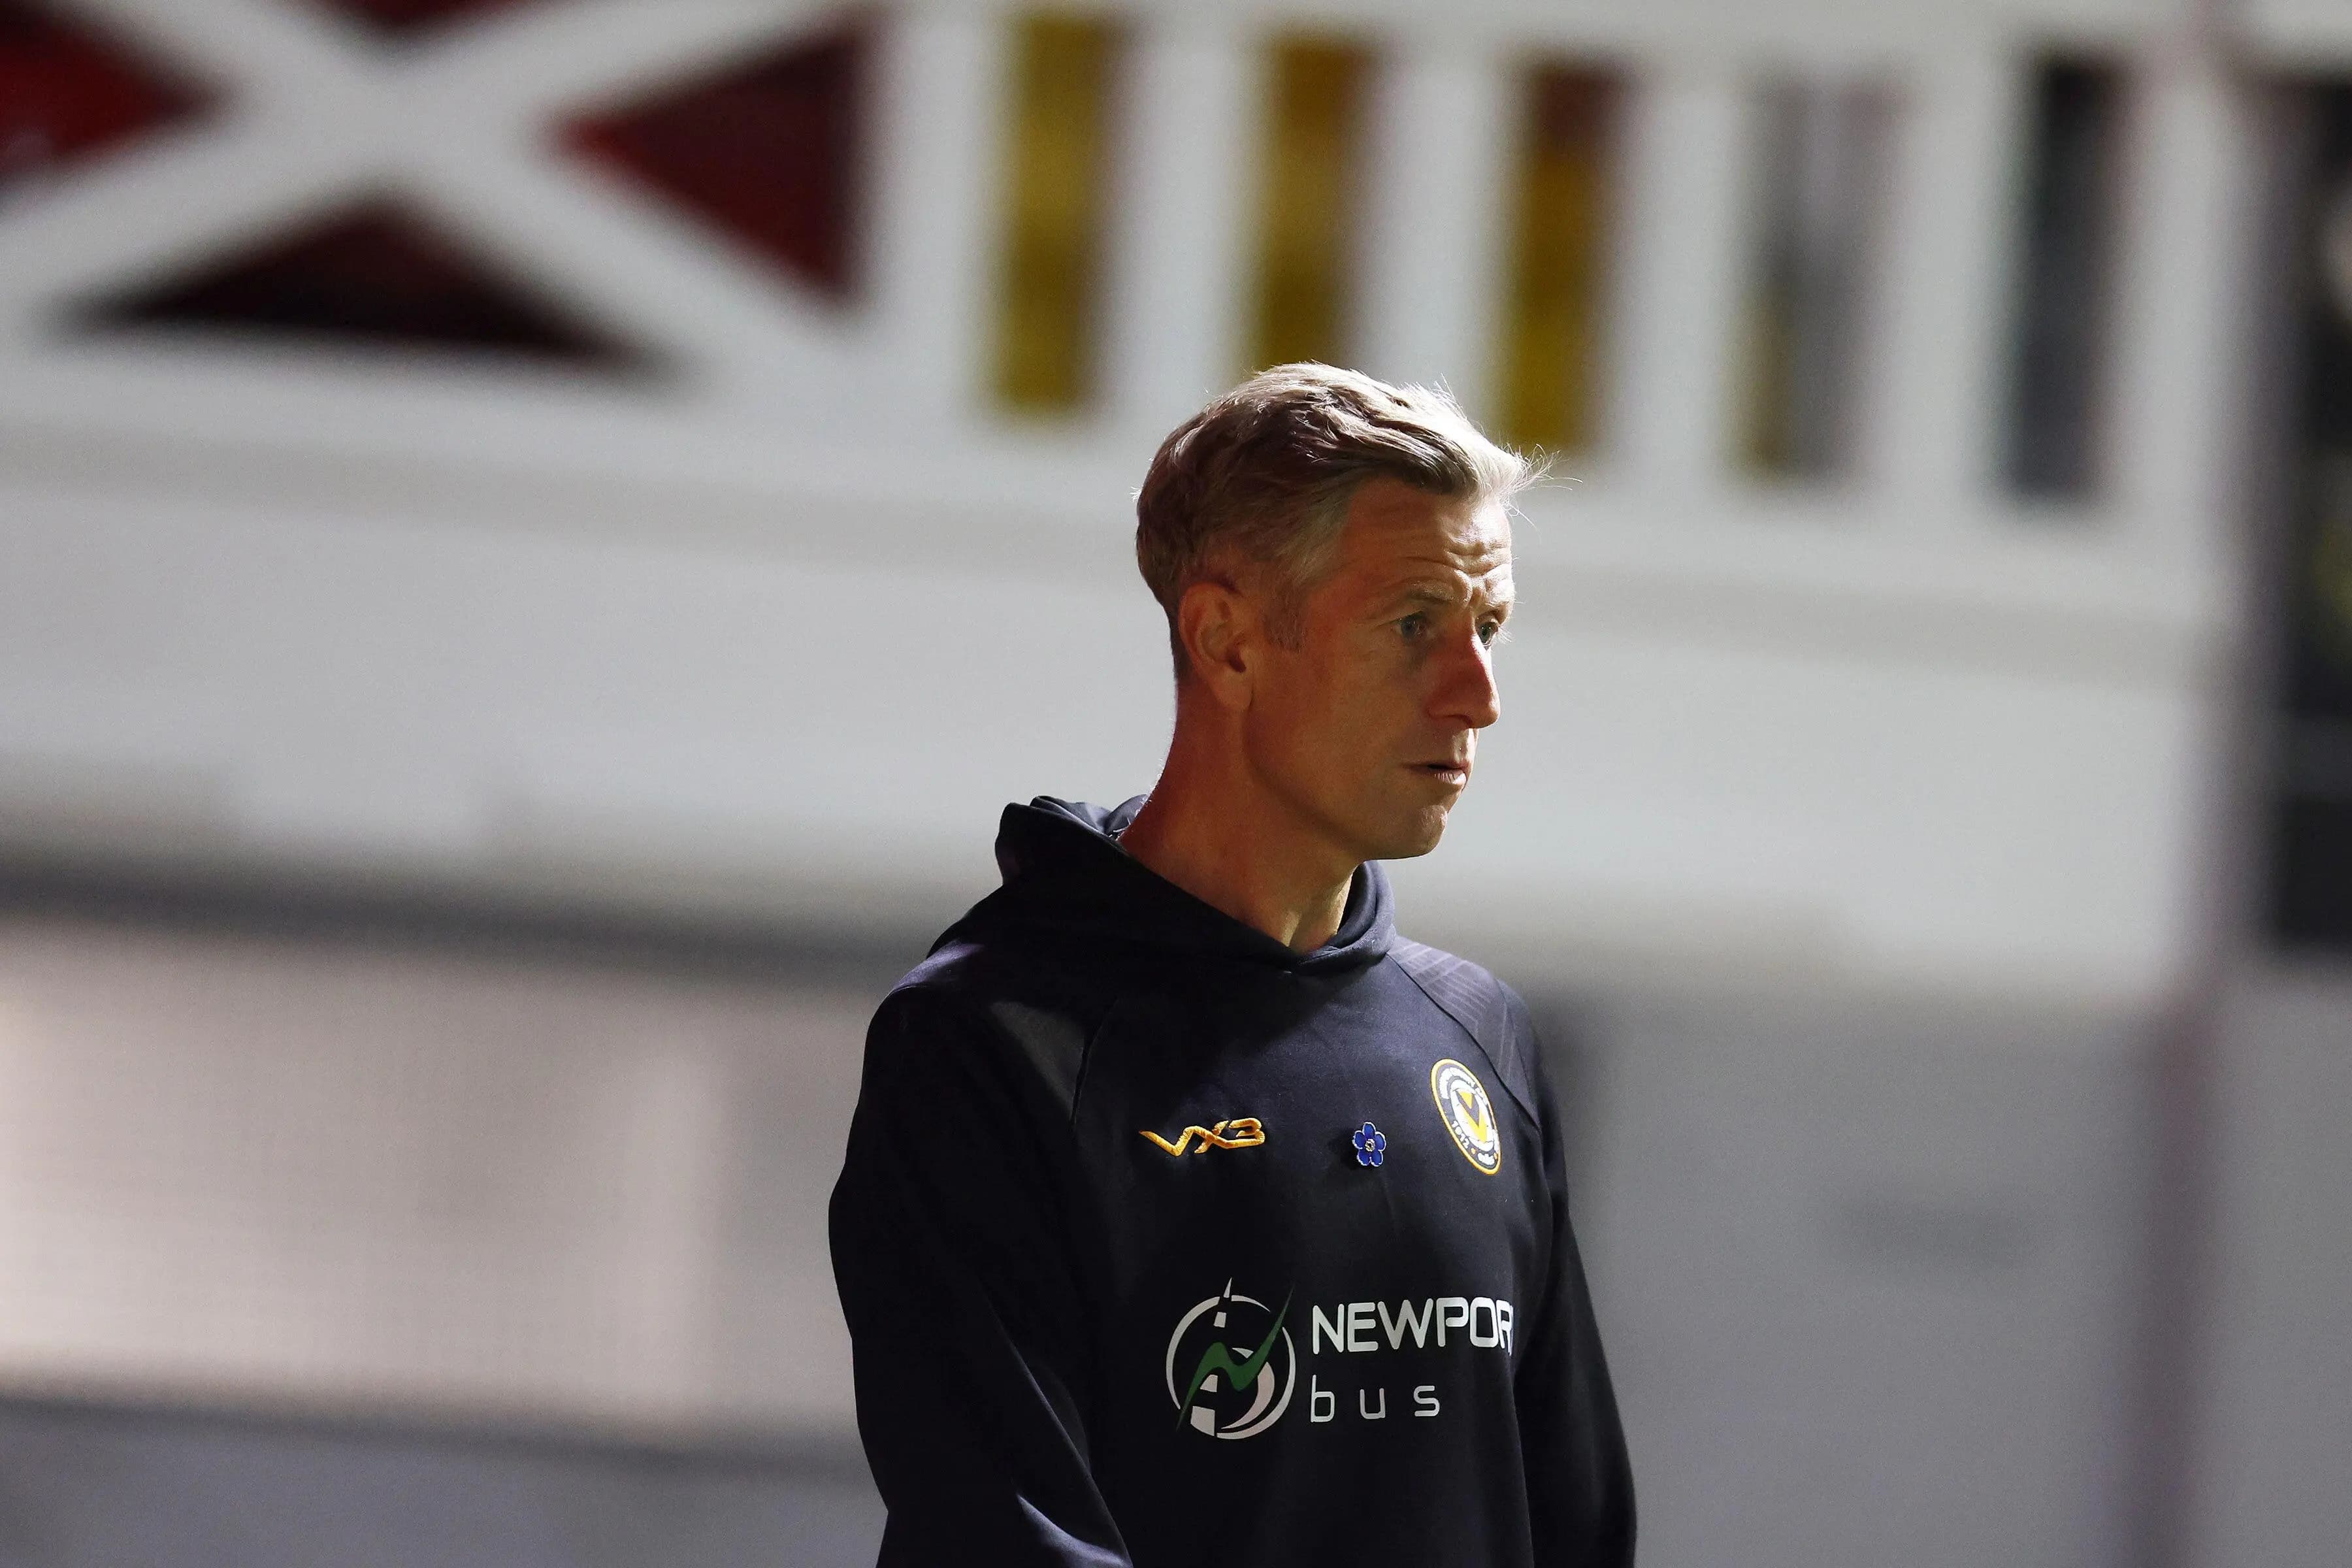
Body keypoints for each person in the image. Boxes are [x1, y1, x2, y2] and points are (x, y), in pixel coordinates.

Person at [828, 363, 1635, 1567]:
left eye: (1490, 628)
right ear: (1227, 641)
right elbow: (1006, 1538)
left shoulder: (1484, 1039)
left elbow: (1576, 1529)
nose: (1480, 696)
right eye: (1415, 626)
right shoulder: (992, 1041)